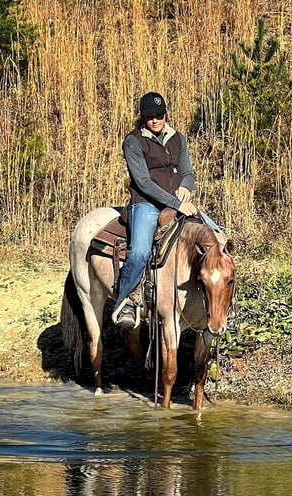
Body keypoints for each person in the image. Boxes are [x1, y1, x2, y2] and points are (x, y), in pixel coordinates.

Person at [111, 91, 220, 329]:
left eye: (159, 115)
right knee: (139, 251)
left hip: (178, 202)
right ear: (142, 118)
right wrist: (176, 203)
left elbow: (188, 172)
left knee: (218, 237)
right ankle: (127, 301)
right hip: (147, 204)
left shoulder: (177, 138)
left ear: (165, 114)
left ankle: (220, 295)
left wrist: (185, 188)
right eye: (149, 116)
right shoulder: (133, 141)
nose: (155, 120)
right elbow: (143, 182)